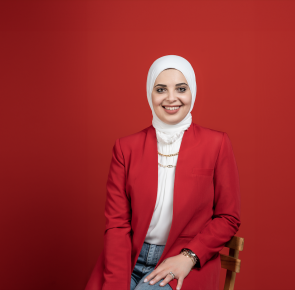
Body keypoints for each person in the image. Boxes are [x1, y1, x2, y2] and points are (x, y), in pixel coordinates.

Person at [84, 55, 241, 290]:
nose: (171, 98)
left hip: (183, 262)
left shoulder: (216, 144)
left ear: (192, 92)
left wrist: (189, 257)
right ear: (150, 93)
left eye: (180, 88)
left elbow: (228, 217)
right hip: (129, 259)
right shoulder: (126, 148)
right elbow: (117, 224)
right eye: (160, 89)